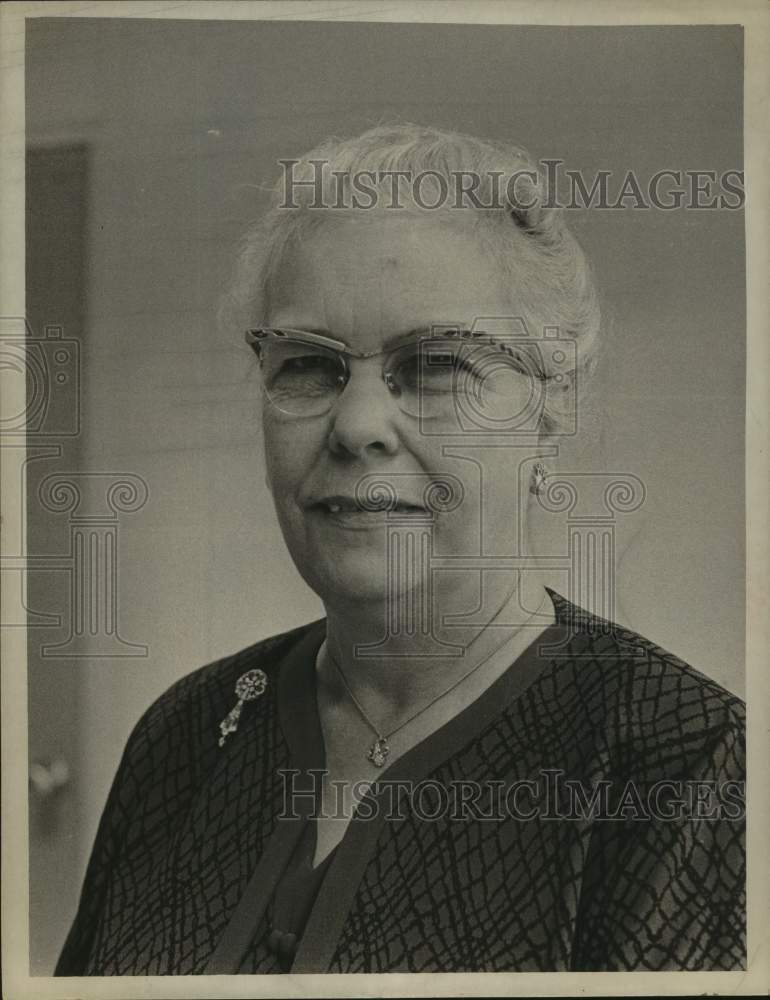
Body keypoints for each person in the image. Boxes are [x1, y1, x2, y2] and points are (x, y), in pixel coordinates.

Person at [55, 124, 745, 975]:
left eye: (436, 365)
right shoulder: (190, 733)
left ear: (551, 405)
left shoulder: (682, 763)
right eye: (308, 365)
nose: (355, 426)